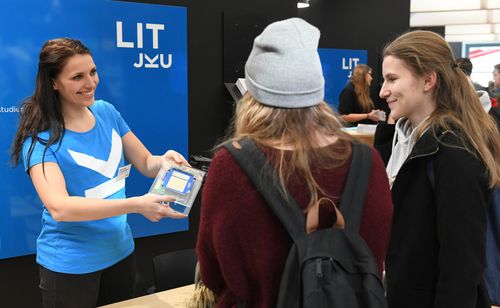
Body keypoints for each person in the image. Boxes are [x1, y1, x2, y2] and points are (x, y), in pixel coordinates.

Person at [196, 18, 393, 307]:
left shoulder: (230, 167)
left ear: (251, 95)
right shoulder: (368, 162)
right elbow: (376, 257)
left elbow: (212, 276)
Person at [10, 38, 188, 308]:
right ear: (53, 83)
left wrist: (164, 161)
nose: (90, 82)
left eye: (92, 72)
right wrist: (136, 205)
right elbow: (60, 207)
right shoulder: (41, 141)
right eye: (77, 77)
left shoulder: (107, 112)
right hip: (70, 267)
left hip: (120, 254)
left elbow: (145, 162)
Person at [373, 30, 500, 308]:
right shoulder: (406, 139)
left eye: (393, 79)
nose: (383, 91)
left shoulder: (455, 153)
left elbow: (462, 265)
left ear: (428, 80)